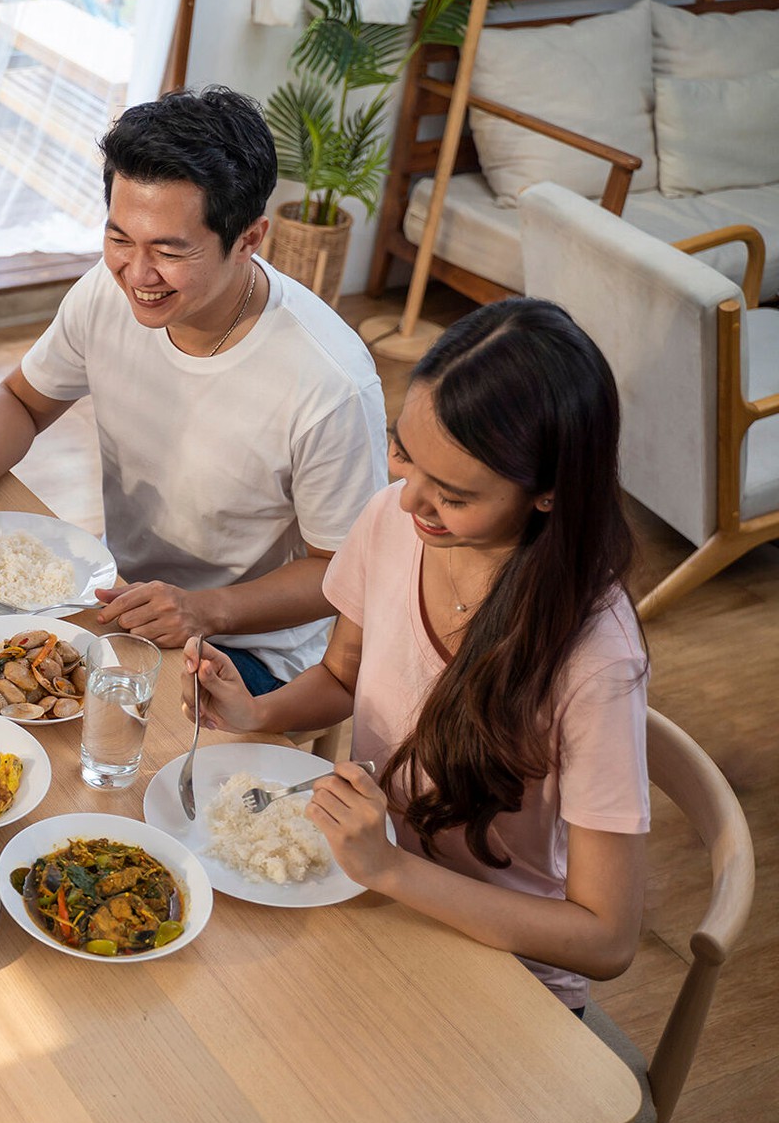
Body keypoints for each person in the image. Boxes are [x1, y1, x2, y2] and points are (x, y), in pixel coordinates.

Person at [183, 298, 649, 1011]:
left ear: (550, 493)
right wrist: (255, 711)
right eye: (405, 455)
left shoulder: (595, 662)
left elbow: (607, 937)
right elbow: (345, 674)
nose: (410, 503)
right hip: (370, 894)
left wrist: (392, 870)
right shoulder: (395, 523)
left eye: (455, 495)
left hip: (505, 972)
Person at [0, 86, 386, 694]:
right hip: (115, 600)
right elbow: (23, 401)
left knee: (71, 746)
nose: (137, 275)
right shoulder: (106, 292)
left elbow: (345, 574)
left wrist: (203, 610)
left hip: (244, 648)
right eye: (119, 239)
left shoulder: (330, 385)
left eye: (170, 251)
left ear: (248, 238)